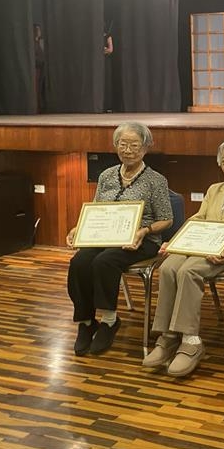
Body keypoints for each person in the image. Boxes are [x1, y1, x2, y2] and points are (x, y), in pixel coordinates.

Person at [143, 138, 224, 377]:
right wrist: (176, 242)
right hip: (203, 245)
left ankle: (191, 341)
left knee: (188, 270)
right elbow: (198, 219)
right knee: (169, 266)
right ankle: (168, 336)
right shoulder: (215, 189)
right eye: (223, 160)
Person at [66, 122, 173, 356]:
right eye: (122, 144)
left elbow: (167, 219)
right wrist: (78, 228)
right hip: (106, 235)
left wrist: (144, 231)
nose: (128, 150)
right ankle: (86, 322)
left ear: (145, 148)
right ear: (116, 146)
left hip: (141, 240)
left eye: (134, 145)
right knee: (80, 261)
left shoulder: (156, 180)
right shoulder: (106, 175)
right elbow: (96, 209)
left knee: (105, 261)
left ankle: (109, 320)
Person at [34, 24, 46, 113]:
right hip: (36, 69)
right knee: (37, 89)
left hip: (41, 68)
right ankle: (37, 108)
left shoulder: (39, 42)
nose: (39, 31)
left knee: (41, 89)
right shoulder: (33, 44)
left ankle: (41, 107)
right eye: (37, 30)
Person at [103, 30, 115, 112]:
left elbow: (110, 50)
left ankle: (107, 106)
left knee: (106, 82)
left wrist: (104, 50)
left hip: (105, 61)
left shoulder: (107, 35)